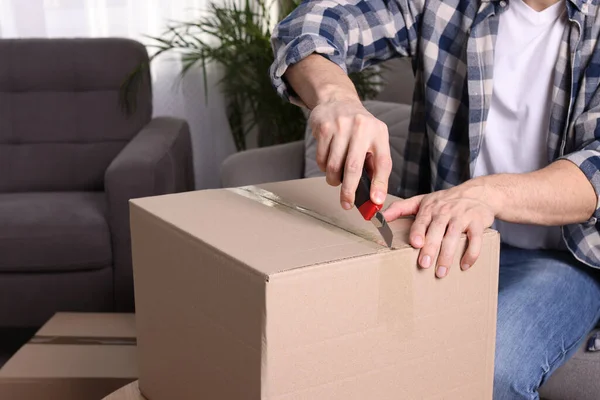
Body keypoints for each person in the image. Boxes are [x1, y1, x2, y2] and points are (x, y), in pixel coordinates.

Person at [269, 0, 600, 398]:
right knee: (331, 342)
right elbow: (308, 25)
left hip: (568, 256)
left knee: (487, 366)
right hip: (440, 237)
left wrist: (485, 194)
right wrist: (335, 97)